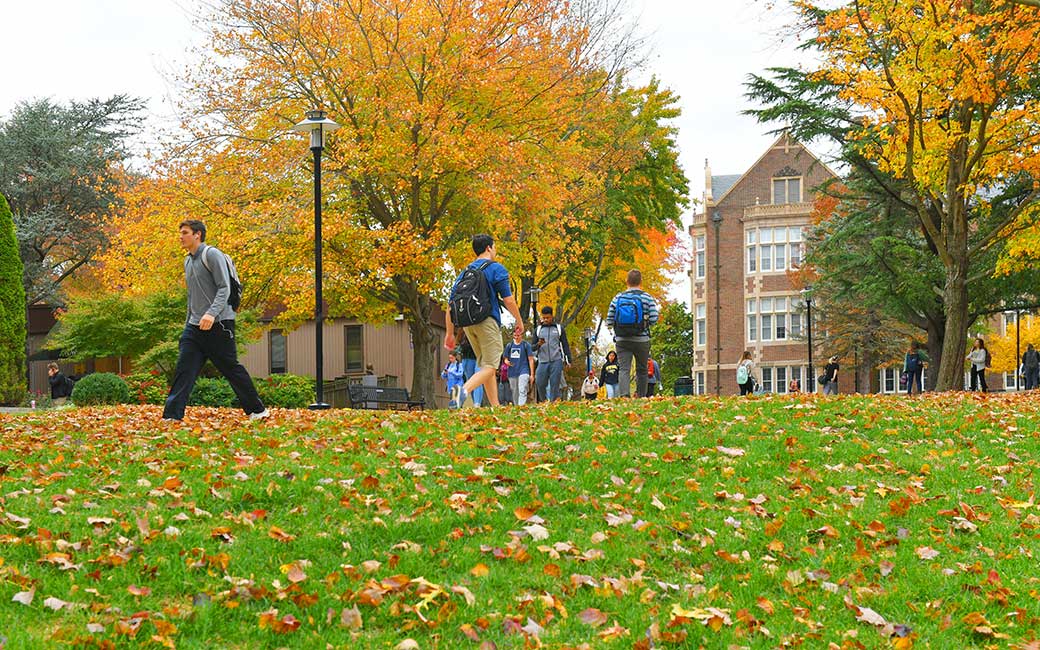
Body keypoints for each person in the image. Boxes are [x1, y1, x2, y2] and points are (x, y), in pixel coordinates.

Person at [162, 220, 268, 421]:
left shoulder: (211, 255)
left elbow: (224, 287)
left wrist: (211, 314)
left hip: (219, 324)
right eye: (180, 233)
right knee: (184, 369)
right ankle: (172, 416)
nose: (180, 236)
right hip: (195, 327)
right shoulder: (188, 261)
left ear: (197, 235)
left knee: (230, 368)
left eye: (185, 232)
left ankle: (257, 410)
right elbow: (192, 297)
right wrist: (188, 323)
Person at [443, 234, 524, 408]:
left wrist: (450, 333)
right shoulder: (496, 269)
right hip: (487, 320)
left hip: (468, 324)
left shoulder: (464, 273)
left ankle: (495, 405)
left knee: (486, 365)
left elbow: (450, 306)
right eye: (494, 247)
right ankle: (461, 393)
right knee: (491, 365)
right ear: (489, 248)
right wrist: (519, 321)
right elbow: (508, 300)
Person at [606, 269, 660, 397]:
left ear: (627, 281)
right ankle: (641, 396)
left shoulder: (617, 298)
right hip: (642, 339)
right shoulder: (647, 297)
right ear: (641, 281)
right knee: (642, 369)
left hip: (622, 339)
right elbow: (654, 318)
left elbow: (609, 319)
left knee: (624, 368)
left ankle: (624, 396)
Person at [534, 306, 572, 402]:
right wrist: (538, 344)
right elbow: (532, 347)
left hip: (556, 360)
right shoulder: (538, 330)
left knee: (555, 384)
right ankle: (544, 402)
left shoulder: (559, 329)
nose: (545, 320)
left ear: (552, 316)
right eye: (544, 318)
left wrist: (569, 360)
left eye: (547, 317)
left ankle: (553, 403)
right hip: (542, 361)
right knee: (540, 383)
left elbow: (565, 345)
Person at [504, 329, 535, 405]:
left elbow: (531, 359)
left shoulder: (526, 345)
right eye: (515, 336)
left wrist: (532, 374)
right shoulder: (509, 345)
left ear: (521, 335)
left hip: (524, 370)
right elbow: (505, 358)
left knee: (522, 389)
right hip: (512, 371)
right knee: (514, 391)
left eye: (518, 335)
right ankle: (516, 407)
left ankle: (521, 406)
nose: (516, 337)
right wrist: (507, 362)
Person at [457, 331, 484, 407]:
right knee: (471, 380)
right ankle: (475, 402)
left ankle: (477, 404)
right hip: (467, 357)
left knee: (478, 379)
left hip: (480, 355)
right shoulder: (463, 330)